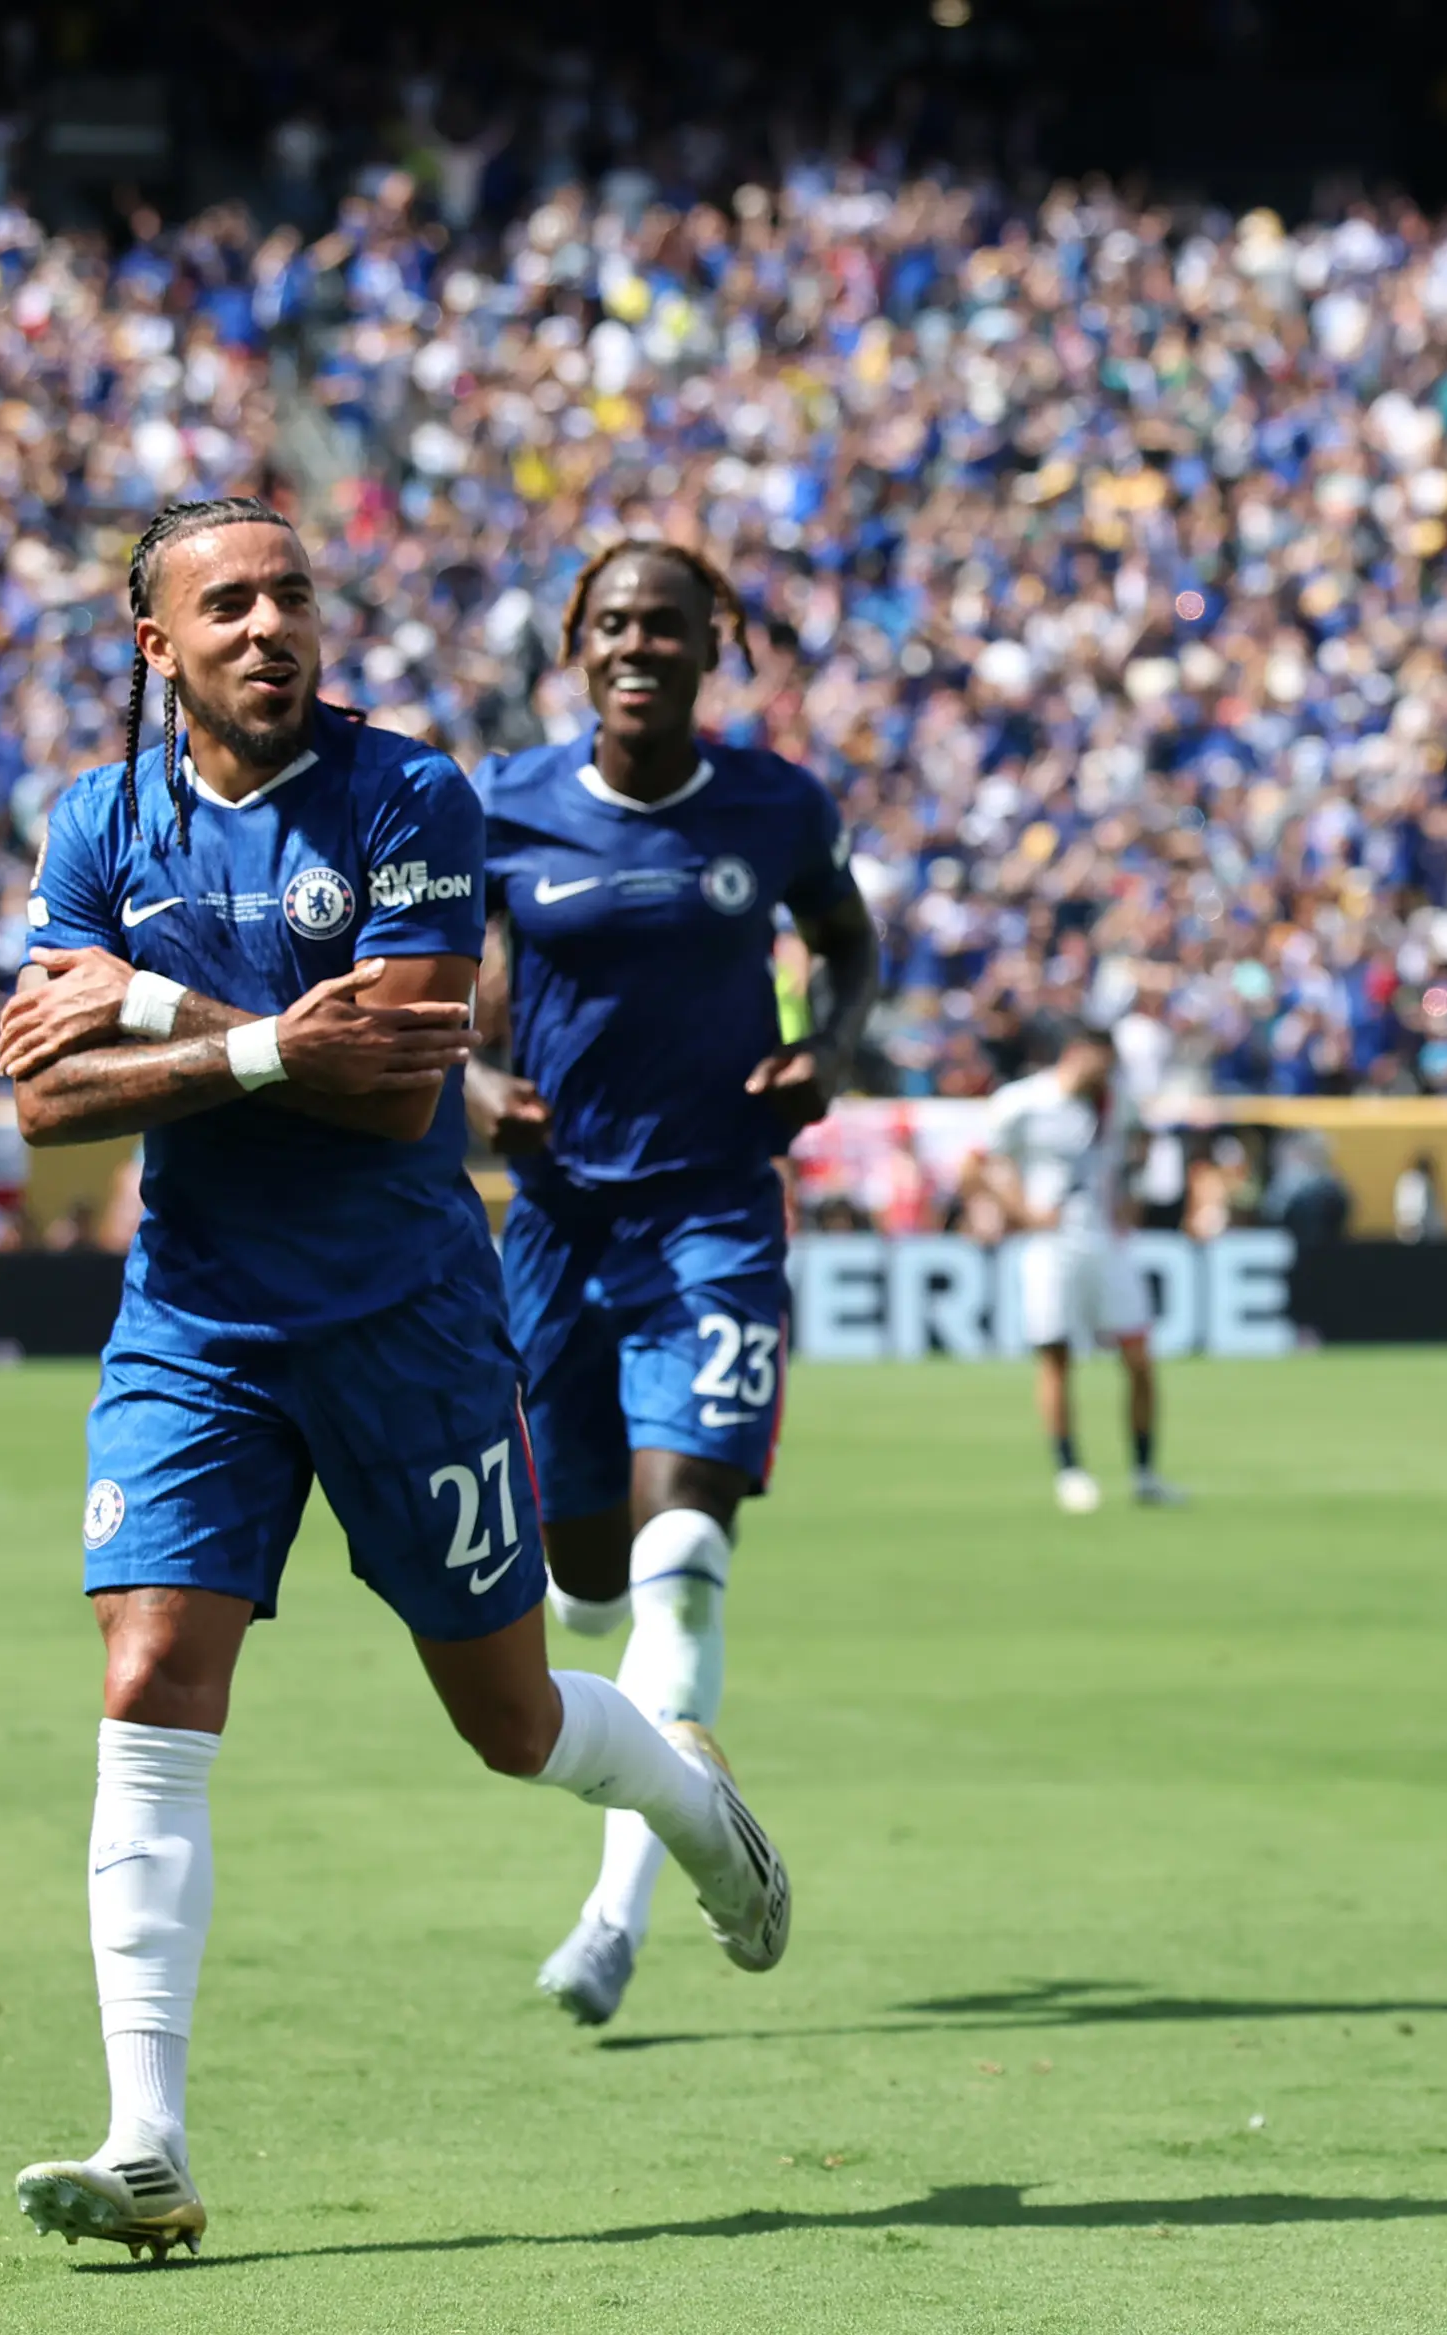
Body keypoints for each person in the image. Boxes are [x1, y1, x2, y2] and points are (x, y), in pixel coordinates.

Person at [0, 499, 790, 2259]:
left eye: (292, 595)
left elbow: (390, 1075)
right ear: (159, 646)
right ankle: (148, 2139)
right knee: (148, 1665)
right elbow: (43, 1105)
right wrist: (268, 1031)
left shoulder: (411, 792)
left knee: (509, 1723)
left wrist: (153, 1013)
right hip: (194, 1319)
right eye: (231, 604)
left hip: (406, 1316)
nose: (273, 625)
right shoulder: (96, 823)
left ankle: (682, 1786)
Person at [467, 538, 880, 2028]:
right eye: (613, 624)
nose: (639, 645)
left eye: (669, 626)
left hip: (715, 1218)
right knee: (585, 1582)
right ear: (574, 645)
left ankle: (623, 1911)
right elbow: (437, 981)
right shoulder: (499, 805)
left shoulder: (775, 803)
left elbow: (848, 941)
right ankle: (651, 1724)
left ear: (715, 648)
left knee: (683, 1555)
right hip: (561, 1229)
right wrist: (467, 1077)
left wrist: (826, 1050)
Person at [971, 1022, 1175, 1511]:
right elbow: (979, 1163)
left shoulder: (1114, 1101)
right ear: (1077, 1055)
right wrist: (1020, 1210)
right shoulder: (1022, 1101)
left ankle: (1145, 1472)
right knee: (1057, 1357)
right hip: (1049, 1246)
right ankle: (1070, 1470)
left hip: (1106, 1241)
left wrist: (1132, 1198)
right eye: (1102, 1063)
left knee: (1139, 1357)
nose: (1107, 1074)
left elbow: (1142, 1144)